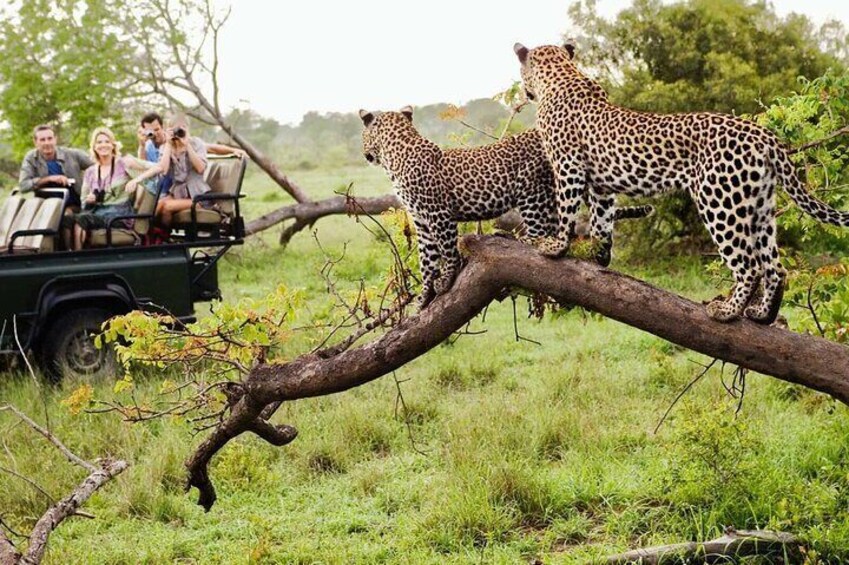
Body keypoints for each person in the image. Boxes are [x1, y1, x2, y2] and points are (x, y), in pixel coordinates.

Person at [66, 127, 162, 250]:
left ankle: (78, 259)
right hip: (97, 212)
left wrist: (136, 180)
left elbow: (158, 168)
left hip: (119, 215)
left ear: (113, 145)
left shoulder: (124, 164)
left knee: (82, 219)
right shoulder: (90, 172)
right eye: (99, 142)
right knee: (67, 219)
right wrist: (91, 200)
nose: (103, 145)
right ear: (94, 147)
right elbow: (84, 202)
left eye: (107, 141)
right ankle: (67, 254)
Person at [138, 116, 212, 228]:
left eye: (181, 130)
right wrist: (168, 143)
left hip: (198, 197)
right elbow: (163, 170)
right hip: (178, 194)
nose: (178, 133)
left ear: (188, 129)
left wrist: (187, 145)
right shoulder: (166, 147)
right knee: (157, 205)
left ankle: (158, 237)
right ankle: (157, 237)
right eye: (174, 130)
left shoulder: (196, 143)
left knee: (166, 206)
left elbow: (200, 168)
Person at [18, 125, 94, 209]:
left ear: (55, 139)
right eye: (42, 140)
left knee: (66, 216)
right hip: (46, 207)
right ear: (35, 142)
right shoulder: (31, 158)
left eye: (50, 138)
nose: (47, 143)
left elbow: (98, 165)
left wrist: (92, 187)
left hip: (74, 204)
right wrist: (49, 179)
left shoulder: (72, 154)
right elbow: (23, 186)